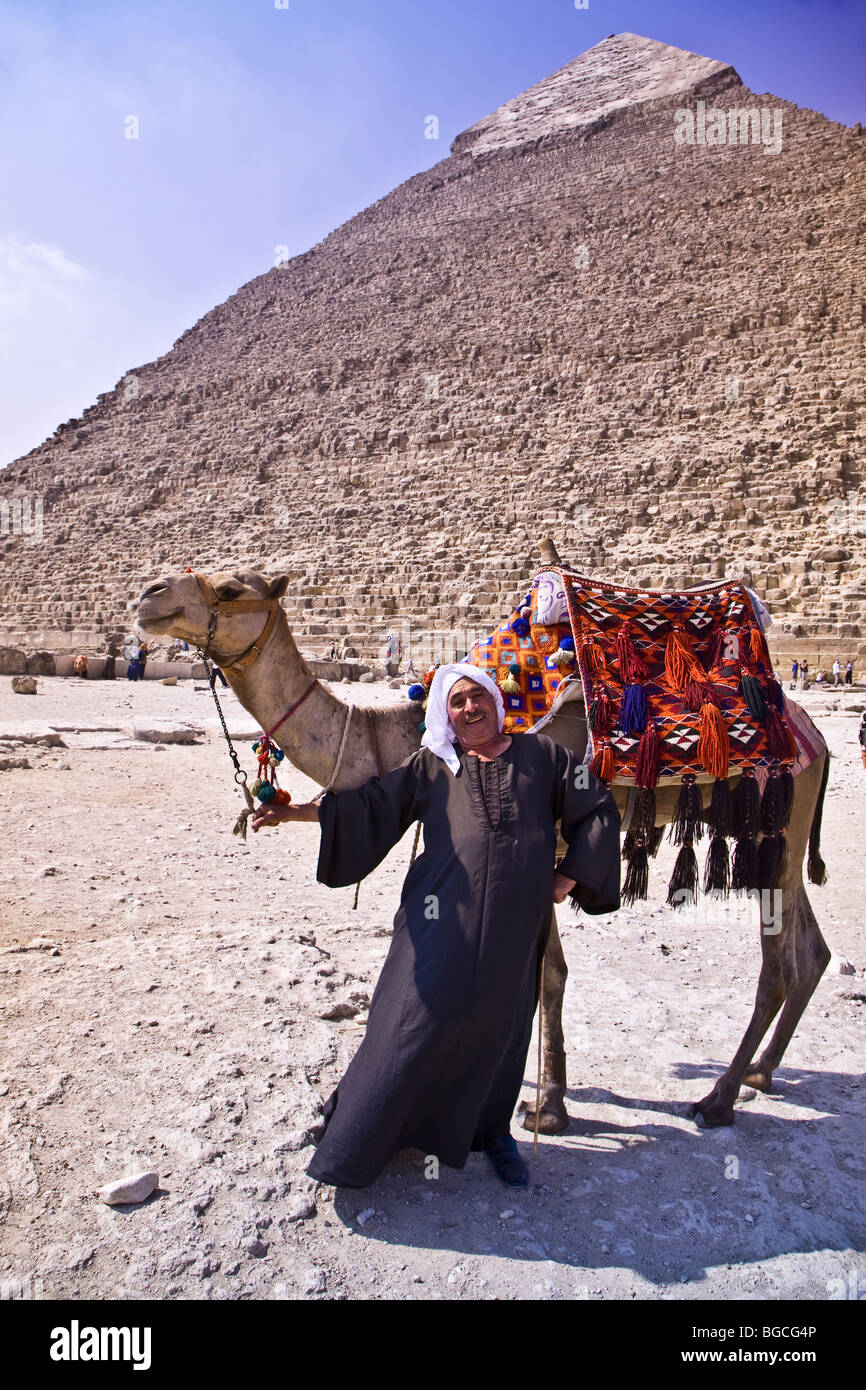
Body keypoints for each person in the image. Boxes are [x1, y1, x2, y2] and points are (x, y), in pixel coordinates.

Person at [252, 662, 621, 1189]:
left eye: (479, 697)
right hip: (438, 917)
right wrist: (296, 815)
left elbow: (600, 808)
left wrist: (567, 879)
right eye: (458, 701)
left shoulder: (546, 757)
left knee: (502, 1028)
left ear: (496, 700)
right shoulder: (432, 765)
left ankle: (492, 1134)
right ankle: (364, 1135)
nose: (471, 708)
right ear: (446, 714)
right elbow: (372, 806)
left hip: (516, 924)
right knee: (409, 1020)